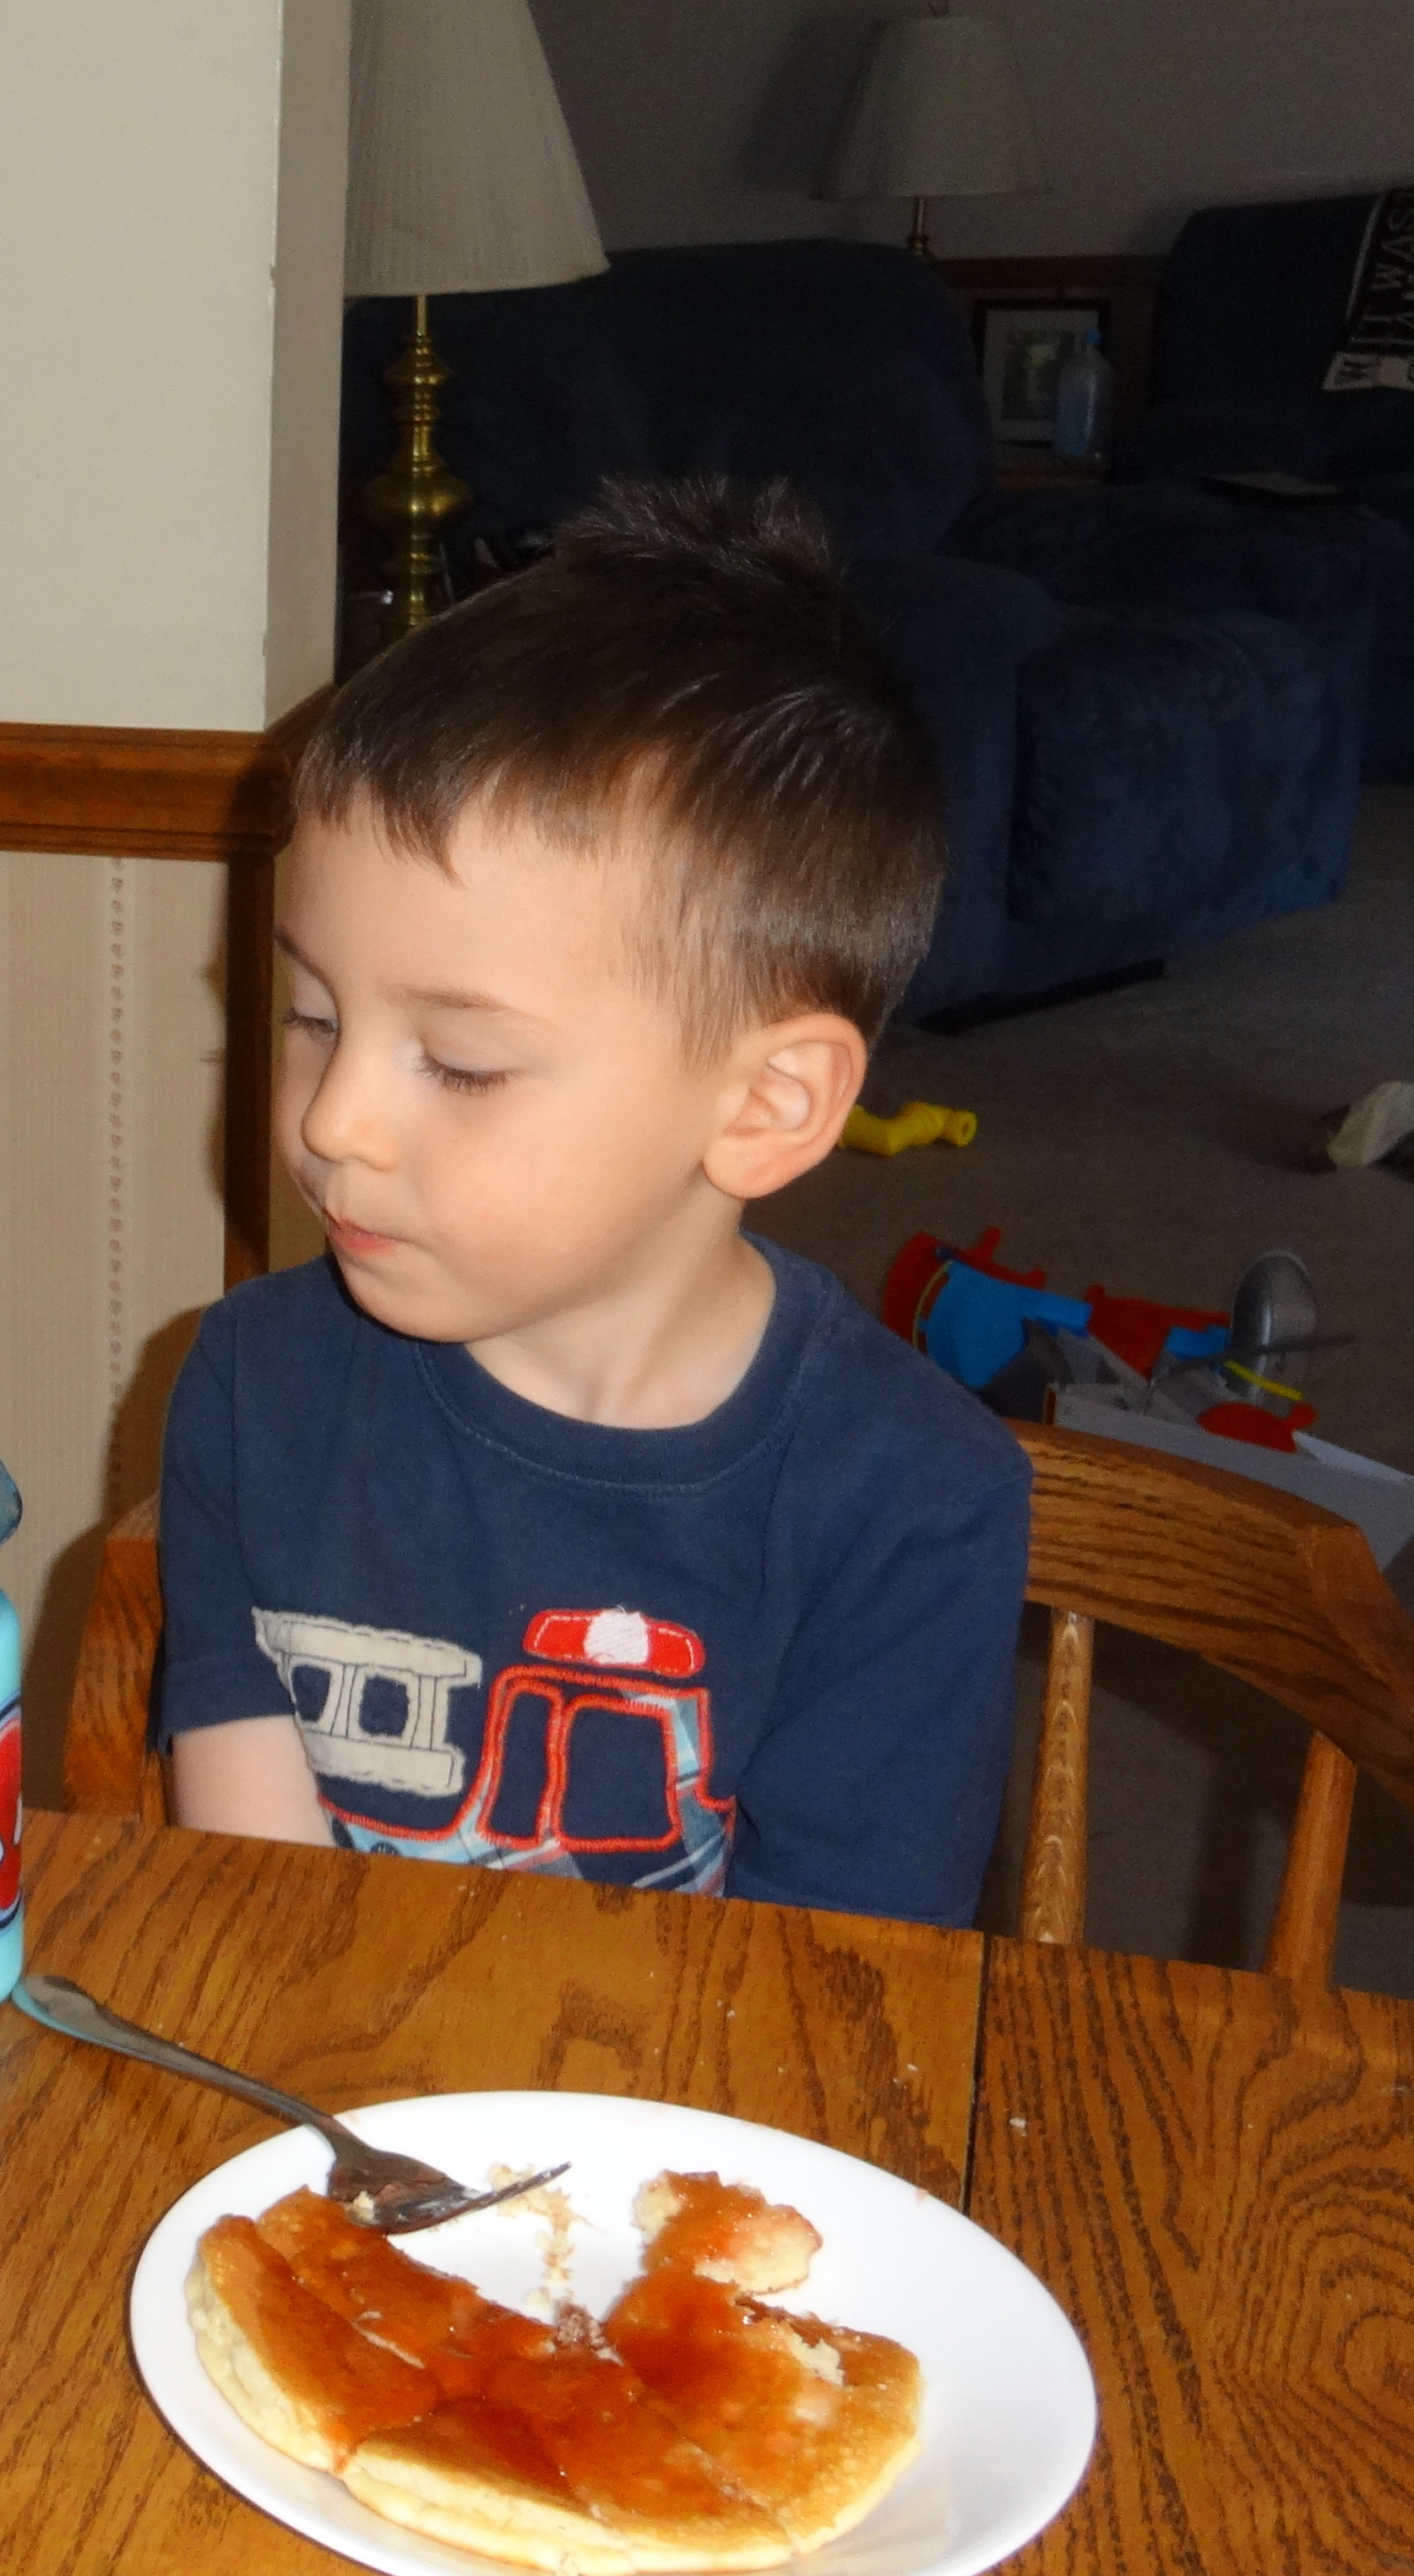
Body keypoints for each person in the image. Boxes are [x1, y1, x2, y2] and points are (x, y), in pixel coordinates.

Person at [155, 482, 1028, 1926]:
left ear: (765, 1104)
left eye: (461, 1061)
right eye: (311, 1014)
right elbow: (260, 1902)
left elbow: (831, 1993)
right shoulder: (251, 1386)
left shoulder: (913, 1501)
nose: (329, 1121)